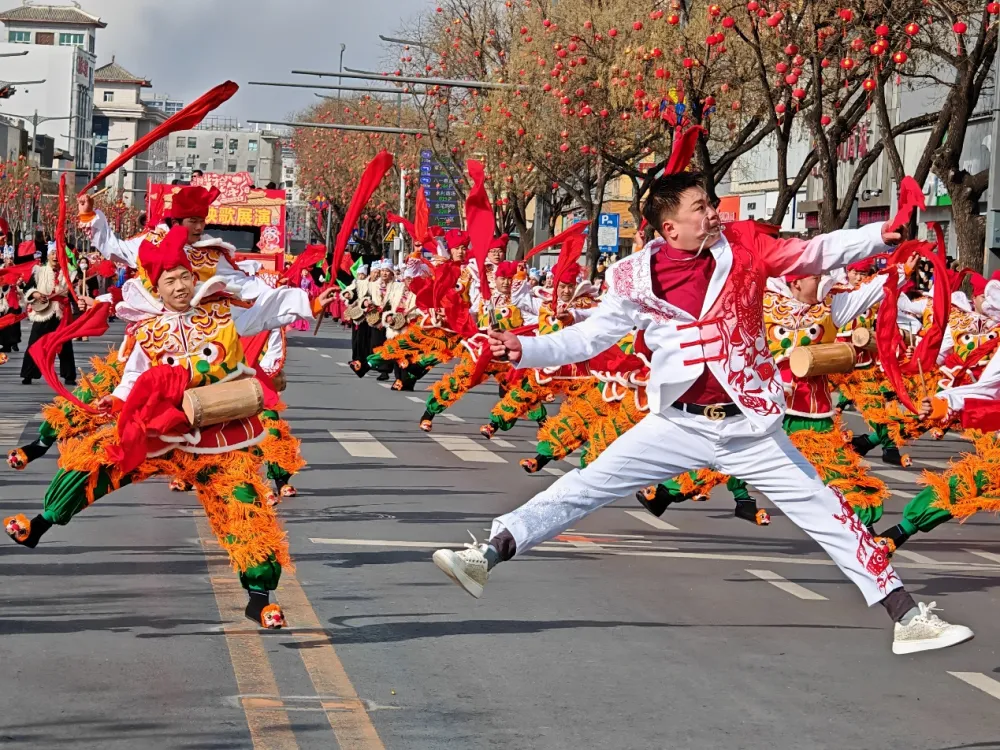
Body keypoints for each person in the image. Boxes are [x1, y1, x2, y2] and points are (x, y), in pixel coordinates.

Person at [430, 171, 973, 655]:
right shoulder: (631, 278)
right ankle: (490, 554)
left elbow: (809, 252)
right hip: (678, 423)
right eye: (700, 207)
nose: (714, 213)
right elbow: (589, 336)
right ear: (670, 227)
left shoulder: (743, 245)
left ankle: (908, 617)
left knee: (828, 513)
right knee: (584, 486)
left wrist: (878, 236)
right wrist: (523, 349)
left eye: (711, 203)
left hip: (749, 426)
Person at [4, 226, 337, 628]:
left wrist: (311, 302)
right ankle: (42, 523)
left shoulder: (223, 313)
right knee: (93, 461)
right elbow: (132, 377)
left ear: (195, 280)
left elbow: (271, 308)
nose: (179, 286)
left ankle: (260, 597)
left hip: (218, 434)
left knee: (244, 507)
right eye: (169, 280)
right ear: (155, 287)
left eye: (184, 277)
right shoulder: (147, 330)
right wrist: (118, 400)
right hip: (160, 433)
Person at [20, 250, 76, 386]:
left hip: (61, 312)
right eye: (52, 253)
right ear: (48, 256)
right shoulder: (39, 271)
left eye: (58, 253)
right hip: (43, 312)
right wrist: (36, 294)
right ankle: (28, 374)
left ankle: (69, 375)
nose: (55, 256)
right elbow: (28, 289)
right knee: (34, 342)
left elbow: (74, 293)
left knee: (65, 344)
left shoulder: (69, 274)